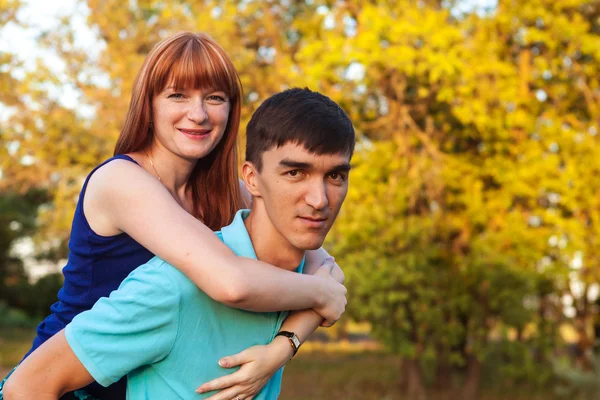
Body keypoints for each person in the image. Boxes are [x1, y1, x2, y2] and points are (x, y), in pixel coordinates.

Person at [0, 33, 346, 399]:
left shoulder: (227, 192)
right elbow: (232, 283)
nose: (198, 114)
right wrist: (321, 295)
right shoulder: (121, 180)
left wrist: (280, 350)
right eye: (177, 95)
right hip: (64, 382)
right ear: (148, 105)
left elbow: (328, 275)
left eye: (214, 98)